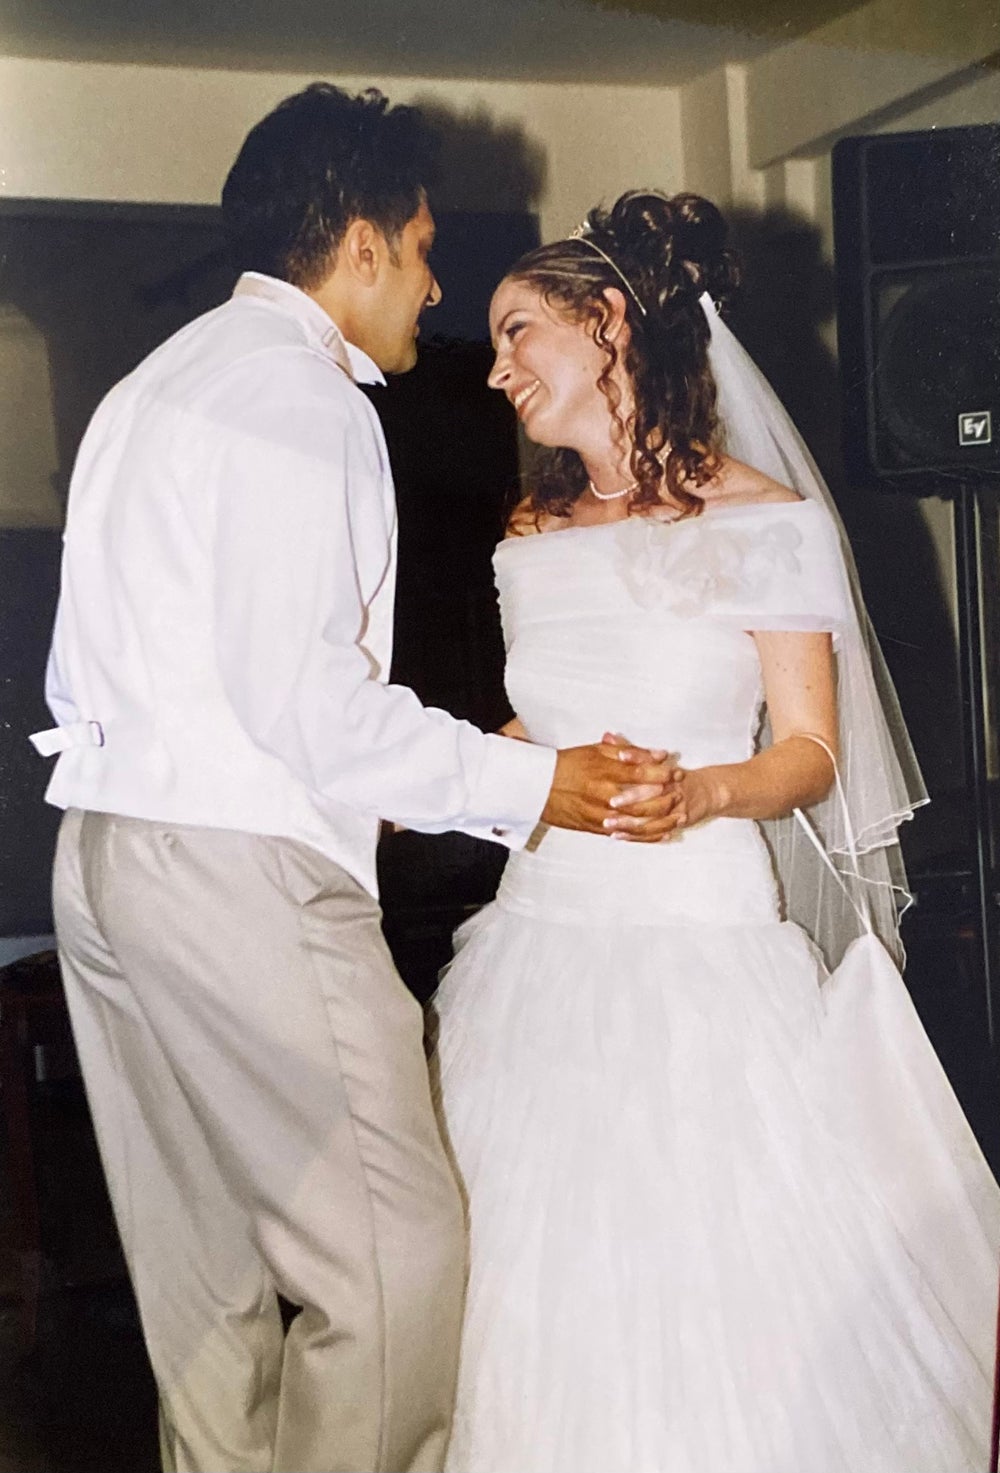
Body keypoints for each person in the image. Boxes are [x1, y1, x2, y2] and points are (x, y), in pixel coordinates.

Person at [30, 90, 681, 1473]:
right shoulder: (297, 398)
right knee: (400, 1256)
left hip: (106, 857)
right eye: (430, 247)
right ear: (367, 243)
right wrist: (535, 785)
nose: (436, 286)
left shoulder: (160, 383)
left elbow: (182, 676)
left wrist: (408, 775)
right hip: (232, 876)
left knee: (206, 1285)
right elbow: (311, 710)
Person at [431, 189, 1000, 1473]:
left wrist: (699, 793)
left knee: (714, 1255)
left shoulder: (767, 522)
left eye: (522, 332)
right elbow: (535, 731)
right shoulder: (530, 533)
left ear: (609, 323)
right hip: (543, 935)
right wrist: (499, 762)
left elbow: (806, 753)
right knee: (547, 1260)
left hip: (698, 926)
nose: (501, 367)